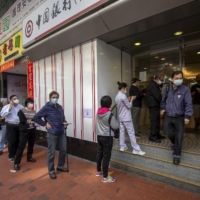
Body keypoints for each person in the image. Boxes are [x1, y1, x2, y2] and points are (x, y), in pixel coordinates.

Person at [33, 91, 69, 179]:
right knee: (51, 153)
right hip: (52, 133)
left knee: (63, 150)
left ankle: (60, 166)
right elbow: (36, 117)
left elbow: (62, 117)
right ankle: (51, 170)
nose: (55, 99)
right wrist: (45, 124)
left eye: (56, 97)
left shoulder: (60, 107)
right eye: (53, 97)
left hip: (61, 132)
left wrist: (64, 122)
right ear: (50, 98)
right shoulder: (46, 108)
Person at [161, 71, 193, 165]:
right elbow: (163, 101)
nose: (179, 80)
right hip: (168, 116)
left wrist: (187, 116)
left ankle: (176, 155)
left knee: (179, 136)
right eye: (177, 78)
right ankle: (176, 145)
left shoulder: (185, 89)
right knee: (167, 132)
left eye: (180, 78)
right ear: (172, 79)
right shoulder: (167, 88)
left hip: (180, 117)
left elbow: (188, 104)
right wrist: (163, 108)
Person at [115, 82, 145, 155]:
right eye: (126, 88)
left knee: (122, 132)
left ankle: (122, 146)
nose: (126, 90)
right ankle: (136, 149)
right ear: (123, 88)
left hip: (121, 117)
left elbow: (123, 105)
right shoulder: (123, 96)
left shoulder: (117, 96)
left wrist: (128, 99)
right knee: (131, 133)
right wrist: (131, 100)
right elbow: (129, 106)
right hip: (127, 117)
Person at [96, 96, 118, 183]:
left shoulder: (98, 112)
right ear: (109, 103)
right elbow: (115, 126)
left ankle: (98, 171)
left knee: (99, 153)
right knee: (106, 156)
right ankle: (105, 177)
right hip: (107, 137)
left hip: (99, 136)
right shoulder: (109, 114)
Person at [14, 98, 37, 171]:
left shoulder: (34, 111)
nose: (31, 104)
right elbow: (22, 120)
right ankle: (16, 163)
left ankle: (29, 157)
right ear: (26, 103)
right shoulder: (21, 111)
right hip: (24, 130)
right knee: (21, 146)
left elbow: (35, 119)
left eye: (32, 103)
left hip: (32, 130)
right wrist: (31, 122)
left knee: (31, 144)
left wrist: (35, 122)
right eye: (30, 103)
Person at [0, 95, 24, 161]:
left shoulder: (21, 107)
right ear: (11, 100)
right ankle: (11, 155)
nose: (16, 99)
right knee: (11, 141)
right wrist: (9, 109)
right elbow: (2, 115)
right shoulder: (6, 107)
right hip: (11, 126)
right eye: (15, 99)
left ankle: (18, 153)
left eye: (17, 98)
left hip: (19, 125)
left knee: (19, 140)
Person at [146, 75, 165, 143]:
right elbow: (157, 96)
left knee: (157, 120)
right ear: (157, 79)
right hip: (153, 105)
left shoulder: (153, 85)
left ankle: (157, 134)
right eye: (161, 79)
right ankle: (153, 136)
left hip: (154, 105)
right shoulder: (153, 85)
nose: (161, 81)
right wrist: (163, 99)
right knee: (154, 121)